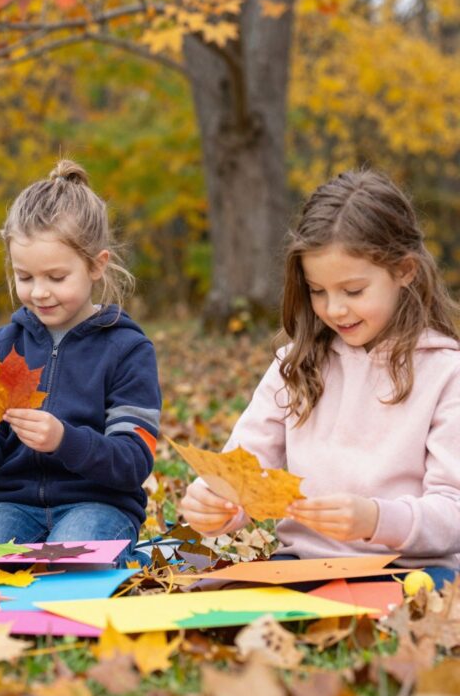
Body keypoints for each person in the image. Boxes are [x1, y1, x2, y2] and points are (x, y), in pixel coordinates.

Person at [180, 170, 460, 584]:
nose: (334, 310)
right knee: (216, 600)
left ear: (405, 271)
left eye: (353, 291)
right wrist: (215, 502)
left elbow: (452, 511)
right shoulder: (294, 366)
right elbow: (243, 469)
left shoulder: (446, 373)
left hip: (411, 568)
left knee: (412, 604)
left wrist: (375, 519)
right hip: (304, 563)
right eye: (318, 291)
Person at [0, 160, 161, 569]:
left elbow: (134, 461)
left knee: (72, 563)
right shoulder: (3, 345)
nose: (39, 292)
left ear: (97, 265)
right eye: (25, 277)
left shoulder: (127, 349)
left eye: (56, 278)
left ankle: (126, 559)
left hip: (100, 505)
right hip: (13, 505)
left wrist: (65, 439)